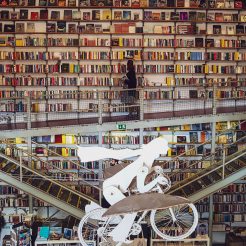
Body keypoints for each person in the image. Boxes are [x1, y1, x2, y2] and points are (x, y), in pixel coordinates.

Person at [78, 136, 169, 244]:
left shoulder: (144, 164)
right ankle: (119, 236)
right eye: (165, 146)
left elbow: (143, 177)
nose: (167, 149)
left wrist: (154, 169)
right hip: (111, 189)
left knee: (129, 211)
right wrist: (157, 180)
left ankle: (120, 233)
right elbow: (142, 188)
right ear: (157, 149)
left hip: (114, 188)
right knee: (131, 211)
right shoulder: (143, 166)